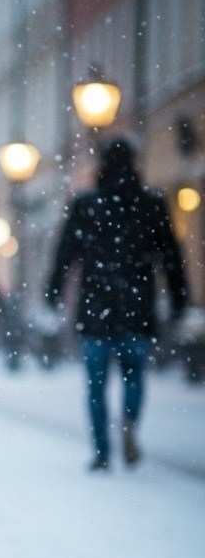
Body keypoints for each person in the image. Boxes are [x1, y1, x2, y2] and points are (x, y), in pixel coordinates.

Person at [46, 137, 188, 470]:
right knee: (133, 375)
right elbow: (171, 256)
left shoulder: (86, 205)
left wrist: (53, 291)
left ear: (102, 165)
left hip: (95, 306)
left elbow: (64, 255)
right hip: (136, 305)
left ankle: (101, 451)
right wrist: (180, 297)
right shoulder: (151, 203)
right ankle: (129, 419)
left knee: (96, 384)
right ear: (135, 164)